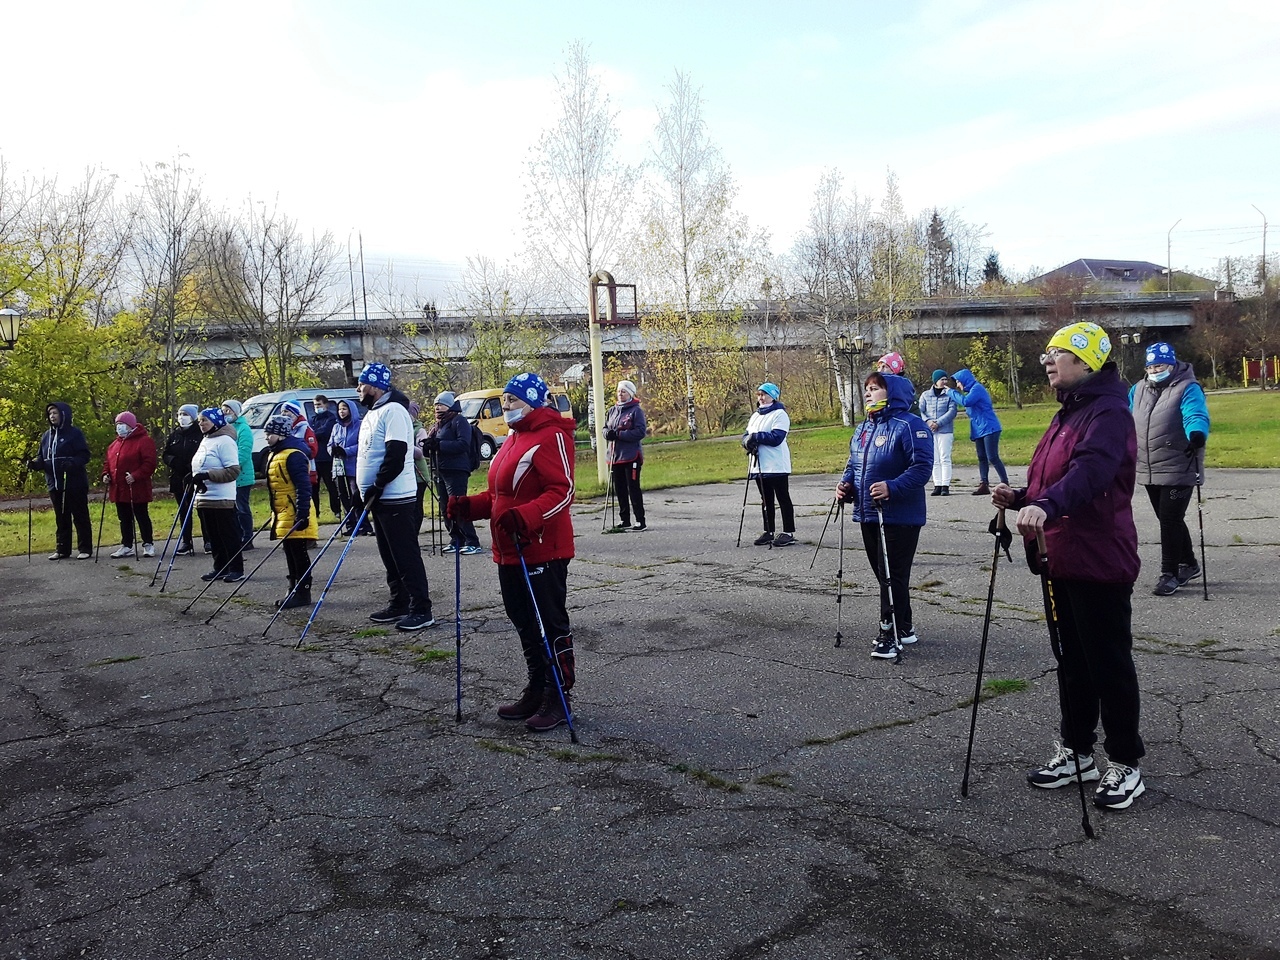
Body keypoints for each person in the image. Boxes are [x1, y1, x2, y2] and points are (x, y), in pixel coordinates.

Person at [992, 321, 1146, 811]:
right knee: (1071, 662)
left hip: (1098, 559)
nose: (1048, 361)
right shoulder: (1068, 412)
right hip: (1059, 555)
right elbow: (1055, 478)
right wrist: (1021, 498)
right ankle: (1077, 751)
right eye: (1047, 355)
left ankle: (1125, 763)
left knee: (1108, 665)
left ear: (1088, 362)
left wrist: (1048, 505)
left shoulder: (1108, 413)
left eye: (1059, 353)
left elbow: (1090, 474)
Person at [447, 372, 577, 732]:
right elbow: (499, 497)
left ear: (533, 402)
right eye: (504, 400)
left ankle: (558, 695)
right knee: (523, 621)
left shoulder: (552, 435)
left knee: (549, 622)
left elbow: (562, 492)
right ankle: (536, 688)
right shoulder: (512, 439)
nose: (506, 406)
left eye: (513, 400)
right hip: (508, 550)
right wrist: (467, 506)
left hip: (541, 548)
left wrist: (527, 517)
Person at [836, 372, 933, 659]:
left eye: (875, 388)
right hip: (868, 513)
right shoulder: (864, 427)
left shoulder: (911, 425)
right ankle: (905, 626)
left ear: (893, 393)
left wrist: (892, 487)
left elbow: (921, 468)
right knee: (885, 575)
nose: (868, 393)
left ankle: (888, 634)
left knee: (893, 576)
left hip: (900, 516)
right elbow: (854, 464)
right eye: (866, 389)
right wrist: (846, 486)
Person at [355, 362, 435, 632]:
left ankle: (421, 608)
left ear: (375, 386)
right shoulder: (372, 413)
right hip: (378, 499)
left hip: (395, 496)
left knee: (405, 554)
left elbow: (397, 454)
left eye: (362, 383)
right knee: (388, 554)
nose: (358, 388)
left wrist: (378, 484)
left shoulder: (394, 411)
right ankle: (398, 601)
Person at [1128, 342, 1211, 596]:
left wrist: (1196, 434)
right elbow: (1125, 417)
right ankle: (1190, 564)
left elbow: (1195, 414)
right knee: (1168, 518)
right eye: (1151, 366)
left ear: (1172, 364)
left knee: (1170, 520)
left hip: (1180, 463)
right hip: (1149, 466)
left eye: (1160, 365)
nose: (1155, 370)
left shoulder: (1188, 387)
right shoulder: (1138, 389)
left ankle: (1170, 574)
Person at [263, 413, 318, 608]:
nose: (266, 437)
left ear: (281, 434)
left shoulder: (293, 455)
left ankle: (302, 591)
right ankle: (292, 586)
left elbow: (303, 486)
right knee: (289, 551)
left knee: (298, 552)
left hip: (295, 510)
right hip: (283, 511)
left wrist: (303, 513)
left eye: (270, 433)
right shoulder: (275, 453)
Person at [29, 401, 93, 560]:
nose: (52, 416)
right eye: (50, 414)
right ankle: (62, 549)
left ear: (63, 414)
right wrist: (35, 464)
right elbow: (42, 457)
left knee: (80, 516)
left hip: (74, 482)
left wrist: (72, 463)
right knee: (61, 518)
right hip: (55, 483)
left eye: (55, 413)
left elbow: (84, 455)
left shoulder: (74, 433)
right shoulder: (46, 436)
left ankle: (85, 548)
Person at [425, 391, 483, 555]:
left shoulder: (459, 421)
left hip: (456, 469)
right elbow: (432, 447)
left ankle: (472, 541)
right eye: (436, 405)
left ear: (450, 405)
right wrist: (428, 446)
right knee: (445, 507)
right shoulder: (437, 424)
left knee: (457, 505)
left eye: (441, 404)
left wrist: (439, 445)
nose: (437, 407)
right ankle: (456, 539)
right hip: (440, 469)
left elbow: (463, 444)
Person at [190, 408, 244, 583]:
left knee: (228, 534)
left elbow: (233, 471)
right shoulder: (206, 440)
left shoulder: (225, 441)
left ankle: (236, 568)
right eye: (199, 421)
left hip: (222, 497)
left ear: (215, 421)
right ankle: (219, 566)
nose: (201, 424)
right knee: (213, 535)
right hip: (204, 497)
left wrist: (207, 475)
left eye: (205, 420)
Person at [742, 382, 796, 547]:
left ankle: (788, 532)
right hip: (759, 465)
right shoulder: (756, 415)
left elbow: (776, 437)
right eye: (759, 394)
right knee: (766, 499)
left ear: (773, 396)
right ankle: (769, 530)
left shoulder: (780, 414)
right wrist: (746, 442)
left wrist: (757, 437)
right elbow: (746, 434)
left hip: (776, 464)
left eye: (764, 394)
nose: (761, 398)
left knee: (782, 498)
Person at [103, 411, 158, 558]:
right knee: (124, 517)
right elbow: (108, 463)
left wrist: (136, 475)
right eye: (117, 424)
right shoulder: (114, 445)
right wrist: (105, 475)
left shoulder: (144, 441)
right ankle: (127, 545)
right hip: (119, 488)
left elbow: (150, 463)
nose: (119, 427)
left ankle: (148, 544)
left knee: (141, 515)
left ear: (131, 425)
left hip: (137, 487)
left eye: (122, 424)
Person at [949, 368, 1008, 495]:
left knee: (992, 456)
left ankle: (1005, 483)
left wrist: (950, 392)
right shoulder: (971, 391)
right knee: (982, 457)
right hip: (979, 429)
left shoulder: (977, 389)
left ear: (965, 380)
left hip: (989, 427)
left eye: (959, 382)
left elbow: (966, 402)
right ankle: (984, 484)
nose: (958, 385)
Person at [605, 379, 648, 531]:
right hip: (615, 456)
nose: (620, 394)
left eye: (623, 391)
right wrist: (607, 434)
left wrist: (619, 434)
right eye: (618, 391)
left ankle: (640, 520)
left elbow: (640, 432)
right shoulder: (612, 410)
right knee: (620, 489)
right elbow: (606, 428)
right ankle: (625, 519)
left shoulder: (636, 411)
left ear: (630, 393)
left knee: (633, 488)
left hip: (631, 455)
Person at [162, 404, 203, 556]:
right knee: (183, 510)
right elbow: (165, 454)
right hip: (178, 477)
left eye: (185, 414)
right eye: (179, 414)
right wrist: (173, 461)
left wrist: (190, 465)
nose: (181, 417)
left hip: (195, 476)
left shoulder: (199, 433)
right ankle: (186, 541)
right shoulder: (175, 435)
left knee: (202, 509)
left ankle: (208, 540)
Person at [329, 399, 368, 536]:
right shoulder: (336, 427)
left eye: (344, 408)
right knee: (342, 495)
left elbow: (362, 444)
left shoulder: (360, 425)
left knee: (355, 495)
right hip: (339, 467)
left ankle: (363, 524)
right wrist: (333, 450)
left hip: (353, 466)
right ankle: (350, 524)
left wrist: (346, 451)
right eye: (339, 409)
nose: (342, 411)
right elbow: (330, 444)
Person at [221, 399, 256, 550]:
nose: (226, 413)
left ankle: (247, 537)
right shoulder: (224, 428)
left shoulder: (244, 429)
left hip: (241, 475)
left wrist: (232, 467)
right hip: (229, 476)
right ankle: (237, 535)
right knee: (232, 509)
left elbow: (244, 451)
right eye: (223, 411)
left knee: (242, 507)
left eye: (228, 410)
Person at [918, 370, 958, 496]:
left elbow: (952, 412)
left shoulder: (950, 395)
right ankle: (937, 484)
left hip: (945, 431)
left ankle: (945, 485)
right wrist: (928, 422)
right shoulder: (925, 395)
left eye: (946, 379)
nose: (944, 382)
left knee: (944, 458)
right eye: (942, 379)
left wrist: (938, 423)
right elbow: (920, 411)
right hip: (930, 431)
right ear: (935, 381)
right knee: (934, 459)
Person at [310, 394, 341, 520]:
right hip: (315, 459)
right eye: (315, 405)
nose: (317, 407)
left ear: (326, 405)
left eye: (319, 405)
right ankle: (315, 512)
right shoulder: (312, 419)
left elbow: (325, 432)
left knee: (331, 487)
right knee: (313, 489)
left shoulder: (331, 418)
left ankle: (336, 511)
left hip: (327, 458)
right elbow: (310, 434)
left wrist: (313, 434)